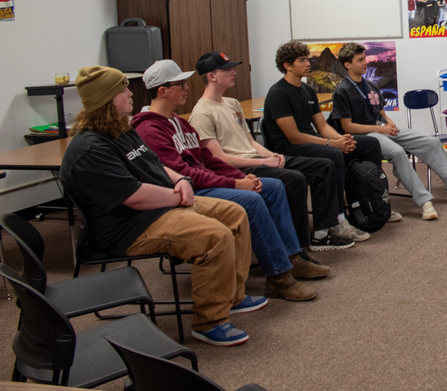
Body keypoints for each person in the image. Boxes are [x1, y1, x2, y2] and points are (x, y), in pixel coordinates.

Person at [60, 65, 257, 347]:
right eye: (122, 90)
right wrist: (179, 197)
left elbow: (156, 164)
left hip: (161, 205)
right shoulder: (91, 149)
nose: (130, 93)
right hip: (130, 227)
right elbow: (134, 196)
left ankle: (232, 297)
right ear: (105, 100)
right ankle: (210, 322)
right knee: (214, 236)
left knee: (235, 213)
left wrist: (182, 180)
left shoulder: (120, 128)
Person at [133, 60, 325, 302]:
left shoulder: (179, 122)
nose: (186, 88)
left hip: (207, 183)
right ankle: (279, 276)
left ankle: (292, 257)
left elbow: (207, 159)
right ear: (162, 90)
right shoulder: (149, 130)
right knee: (252, 200)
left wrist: (242, 176)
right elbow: (185, 174)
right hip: (187, 193)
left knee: (273, 186)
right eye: (180, 84)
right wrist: (236, 184)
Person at [188, 51, 352, 253]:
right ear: (211, 76)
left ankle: (322, 232)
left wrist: (270, 156)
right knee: (295, 179)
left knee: (324, 166)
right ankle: (297, 247)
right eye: (227, 70)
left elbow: (250, 142)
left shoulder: (232, 104)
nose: (234, 73)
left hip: (258, 159)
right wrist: (265, 162)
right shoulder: (202, 113)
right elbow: (218, 159)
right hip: (240, 168)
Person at [331, 42, 447, 220]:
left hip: (380, 128)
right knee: (397, 152)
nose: (365, 62)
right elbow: (347, 127)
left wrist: (389, 123)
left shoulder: (370, 85)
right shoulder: (342, 91)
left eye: (364, 58)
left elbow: (380, 111)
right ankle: (424, 202)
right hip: (365, 135)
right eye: (359, 60)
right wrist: (381, 130)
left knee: (432, 143)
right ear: (347, 65)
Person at [262, 40, 390, 241]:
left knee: (369, 144)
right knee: (333, 154)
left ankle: (371, 203)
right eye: (302, 60)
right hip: (288, 147)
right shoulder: (278, 93)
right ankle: (337, 220)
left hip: (309, 141)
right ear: (287, 65)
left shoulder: (307, 90)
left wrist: (343, 139)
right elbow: (293, 136)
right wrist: (333, 144)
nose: (308, 63)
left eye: (307, 59)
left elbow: (322, 126)